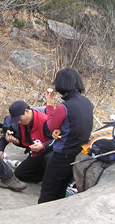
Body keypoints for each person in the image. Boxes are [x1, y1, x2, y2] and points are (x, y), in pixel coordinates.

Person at [39, 68, 94, 204]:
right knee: (61, 190)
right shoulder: (87, 102)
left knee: (48, 191)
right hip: (79, 152)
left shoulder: (64, 107)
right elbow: (77, 124)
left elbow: (51, 126)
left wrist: (50, 105)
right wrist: (62, 130)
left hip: (62, 154)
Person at [0, 100, 53, 184]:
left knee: (49, 159)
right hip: (35, 155)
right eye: (16, 120)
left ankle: (49, 177)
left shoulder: (45, 122)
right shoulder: (19, 123)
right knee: (19, 174)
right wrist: (14, 142)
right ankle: (42, 175)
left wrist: (43, 146)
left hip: (48, 153)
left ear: (27, 111)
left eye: (19, 119)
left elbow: (58, 140)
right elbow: (5, 136)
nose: (18, 122)